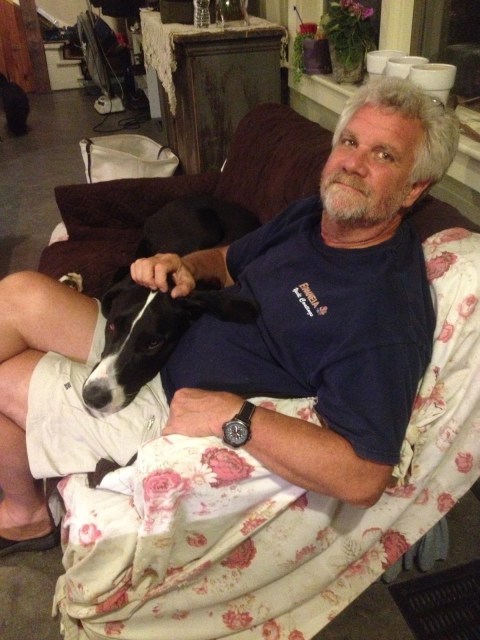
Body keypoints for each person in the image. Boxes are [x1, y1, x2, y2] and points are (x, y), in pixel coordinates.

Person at [0, 77, 459, 556]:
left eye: (384, 155)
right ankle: (26, 508)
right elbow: (226, 261)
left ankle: (25, 516)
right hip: (164, 341)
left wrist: (233, 417)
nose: (353, 164)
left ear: (414, 188)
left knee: (6, 376)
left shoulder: (382, 311)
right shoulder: (313, 218)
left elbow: (363, 476)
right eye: (349, 142)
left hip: (168, 402)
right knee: (18, 294)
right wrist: (184, 265)